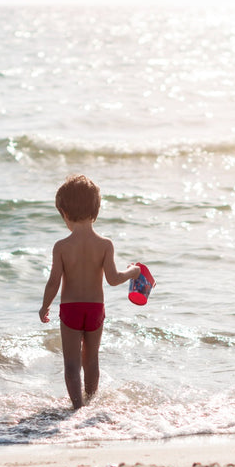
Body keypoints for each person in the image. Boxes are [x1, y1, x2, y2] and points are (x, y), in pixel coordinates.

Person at [39, 175, 140, 409]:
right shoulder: (105, 244)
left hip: (71, 309)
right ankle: (91, 402)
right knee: (91, 360)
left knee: (72, 364)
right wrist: (132, 272)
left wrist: (45, 306)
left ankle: (77, 407)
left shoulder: (61, 247)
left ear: (64, 212)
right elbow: (114, 279)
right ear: (96, 209)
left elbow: (54, 282)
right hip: (95, 309)